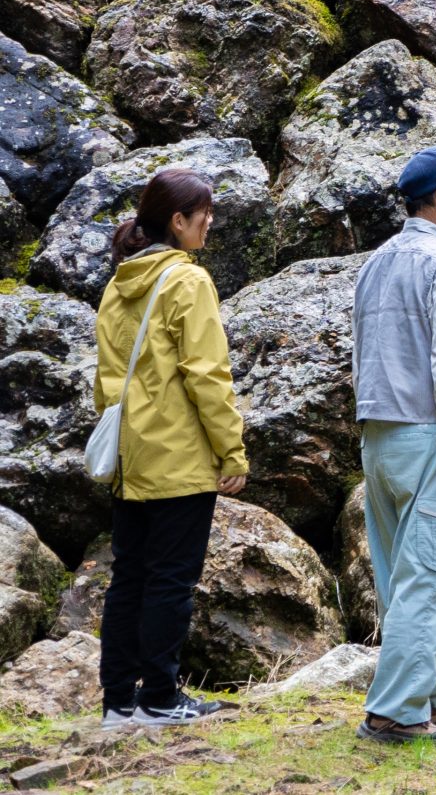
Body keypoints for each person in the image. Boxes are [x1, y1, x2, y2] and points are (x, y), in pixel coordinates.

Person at [93, 167, 247, 730]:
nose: (210, 222)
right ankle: (160, 697)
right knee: (170, 581)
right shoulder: (187, 281)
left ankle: (118, 702)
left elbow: (107, 377)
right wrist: (232, 452)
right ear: (177, 220)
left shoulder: (119, 281)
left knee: (129, 576)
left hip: (129, 460)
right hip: (179, 458)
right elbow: (207, 374)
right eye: (204, 213)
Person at [351, 146, 436, 744]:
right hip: (428, 435)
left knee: (397, 579)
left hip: (378, 437)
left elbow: (359, 353)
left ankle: (433, 697)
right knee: (431, 579)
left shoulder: (375, 263)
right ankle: (394, 714)